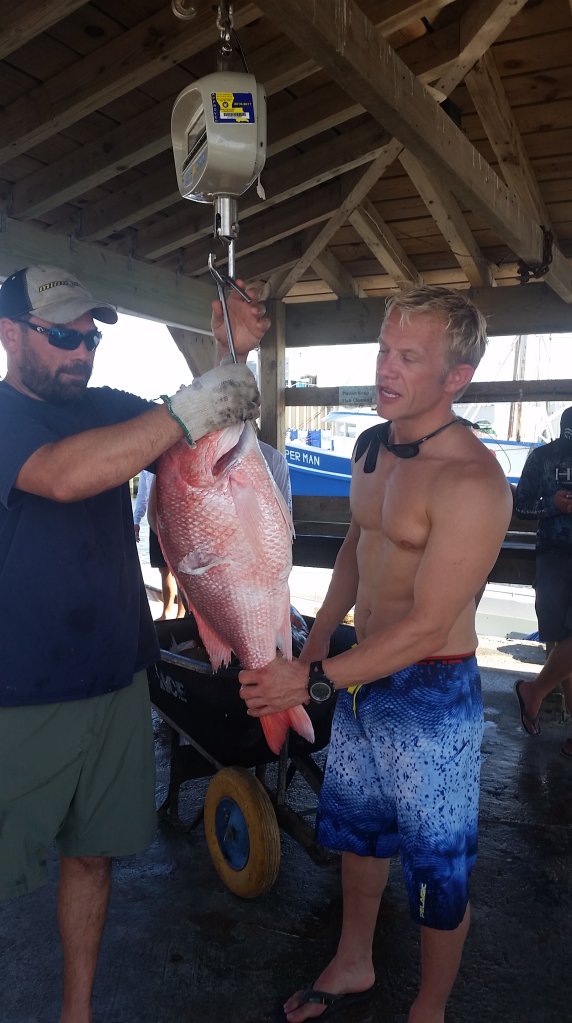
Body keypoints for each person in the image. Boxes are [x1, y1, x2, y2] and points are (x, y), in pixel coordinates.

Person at [0, 263, 268, 1023]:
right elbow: (61, 476)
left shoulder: (109, 408)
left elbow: (207, 444)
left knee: (93, 856)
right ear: (9, 332)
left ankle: (76, 1013)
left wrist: (232, 355)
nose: (80, 352)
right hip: (17, 691)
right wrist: (182, 411)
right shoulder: (5, 417)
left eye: (88, 338)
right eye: (61, 337)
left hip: (118, 677)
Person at [239, 285, 513, 1023]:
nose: (385, 369)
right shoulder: (372, 444)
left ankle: (430, 1008)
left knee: (438, 867)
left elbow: (429, 624)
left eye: (408, 357)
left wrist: (313, 675)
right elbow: (359, 545)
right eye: (384, 349)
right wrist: (323, 630)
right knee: (359, 831)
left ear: (457, 377)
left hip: (432, 689)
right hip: (362, 672)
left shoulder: (473, 482)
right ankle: (354, 958)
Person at [513, 407, 572, 757]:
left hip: (550, 557)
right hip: (552, 555)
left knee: (566, 641)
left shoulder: (542, 455)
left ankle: (533, 692)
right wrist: (551, 504)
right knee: (562, 639)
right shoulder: (541, 458)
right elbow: (521, 505)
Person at [133, 467, 186, 619]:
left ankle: (182, 612)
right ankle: (167, 610)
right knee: (163, 569)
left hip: (175, 520)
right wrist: (136, 521)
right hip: (154, 520)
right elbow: (142, 495)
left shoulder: (172, 462)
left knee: (179, 570)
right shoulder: (146, 468)